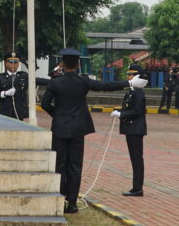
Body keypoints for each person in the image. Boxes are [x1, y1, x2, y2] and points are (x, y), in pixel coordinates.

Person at [41, 48, 135, 214]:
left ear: (62, 64)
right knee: (75, 166)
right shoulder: (83, 81)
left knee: (59, 165)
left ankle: (58, 198)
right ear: (78, 64)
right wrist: (128, 83)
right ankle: (72, 203)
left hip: (60, 128)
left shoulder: (55, 82)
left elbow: (45, 104)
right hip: (78, 128)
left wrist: (58, 115)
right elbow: (105, 86)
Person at [111, 63, 148, 196]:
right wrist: (119, 111)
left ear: (137, 76)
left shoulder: (138, 93)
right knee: (134, 158)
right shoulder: (132, 91)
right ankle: (136, 187)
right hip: (132, 128)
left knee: (137, 159)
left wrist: (121, 114)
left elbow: (137, 110)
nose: (129, 77)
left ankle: (138, 188)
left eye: (131, 75)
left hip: (136, 129)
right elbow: (129, 108)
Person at [0, 52, 30, 120]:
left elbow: (36, 80)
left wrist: (53, 80)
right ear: (6, 64)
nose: (13, 65)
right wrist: (4, 93)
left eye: (16, 62)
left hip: (19, 113)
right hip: (5, 112)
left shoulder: (24, 76)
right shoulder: (0, 77)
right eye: (11, 62)